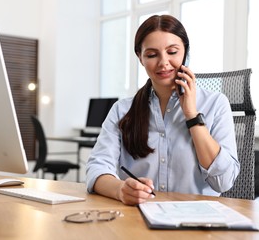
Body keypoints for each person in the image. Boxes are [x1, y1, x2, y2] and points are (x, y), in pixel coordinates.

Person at [86, 15, 239, 206]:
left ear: (185, 52)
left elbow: (223, 182)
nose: (163, 62)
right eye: (152, 55)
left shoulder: (216, 104)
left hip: (196, 221)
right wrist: (121, 190)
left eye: (172, 52)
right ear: (140, 58)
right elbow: (97, 167)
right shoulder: (122, 110)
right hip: (138, 220)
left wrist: (192, 116)